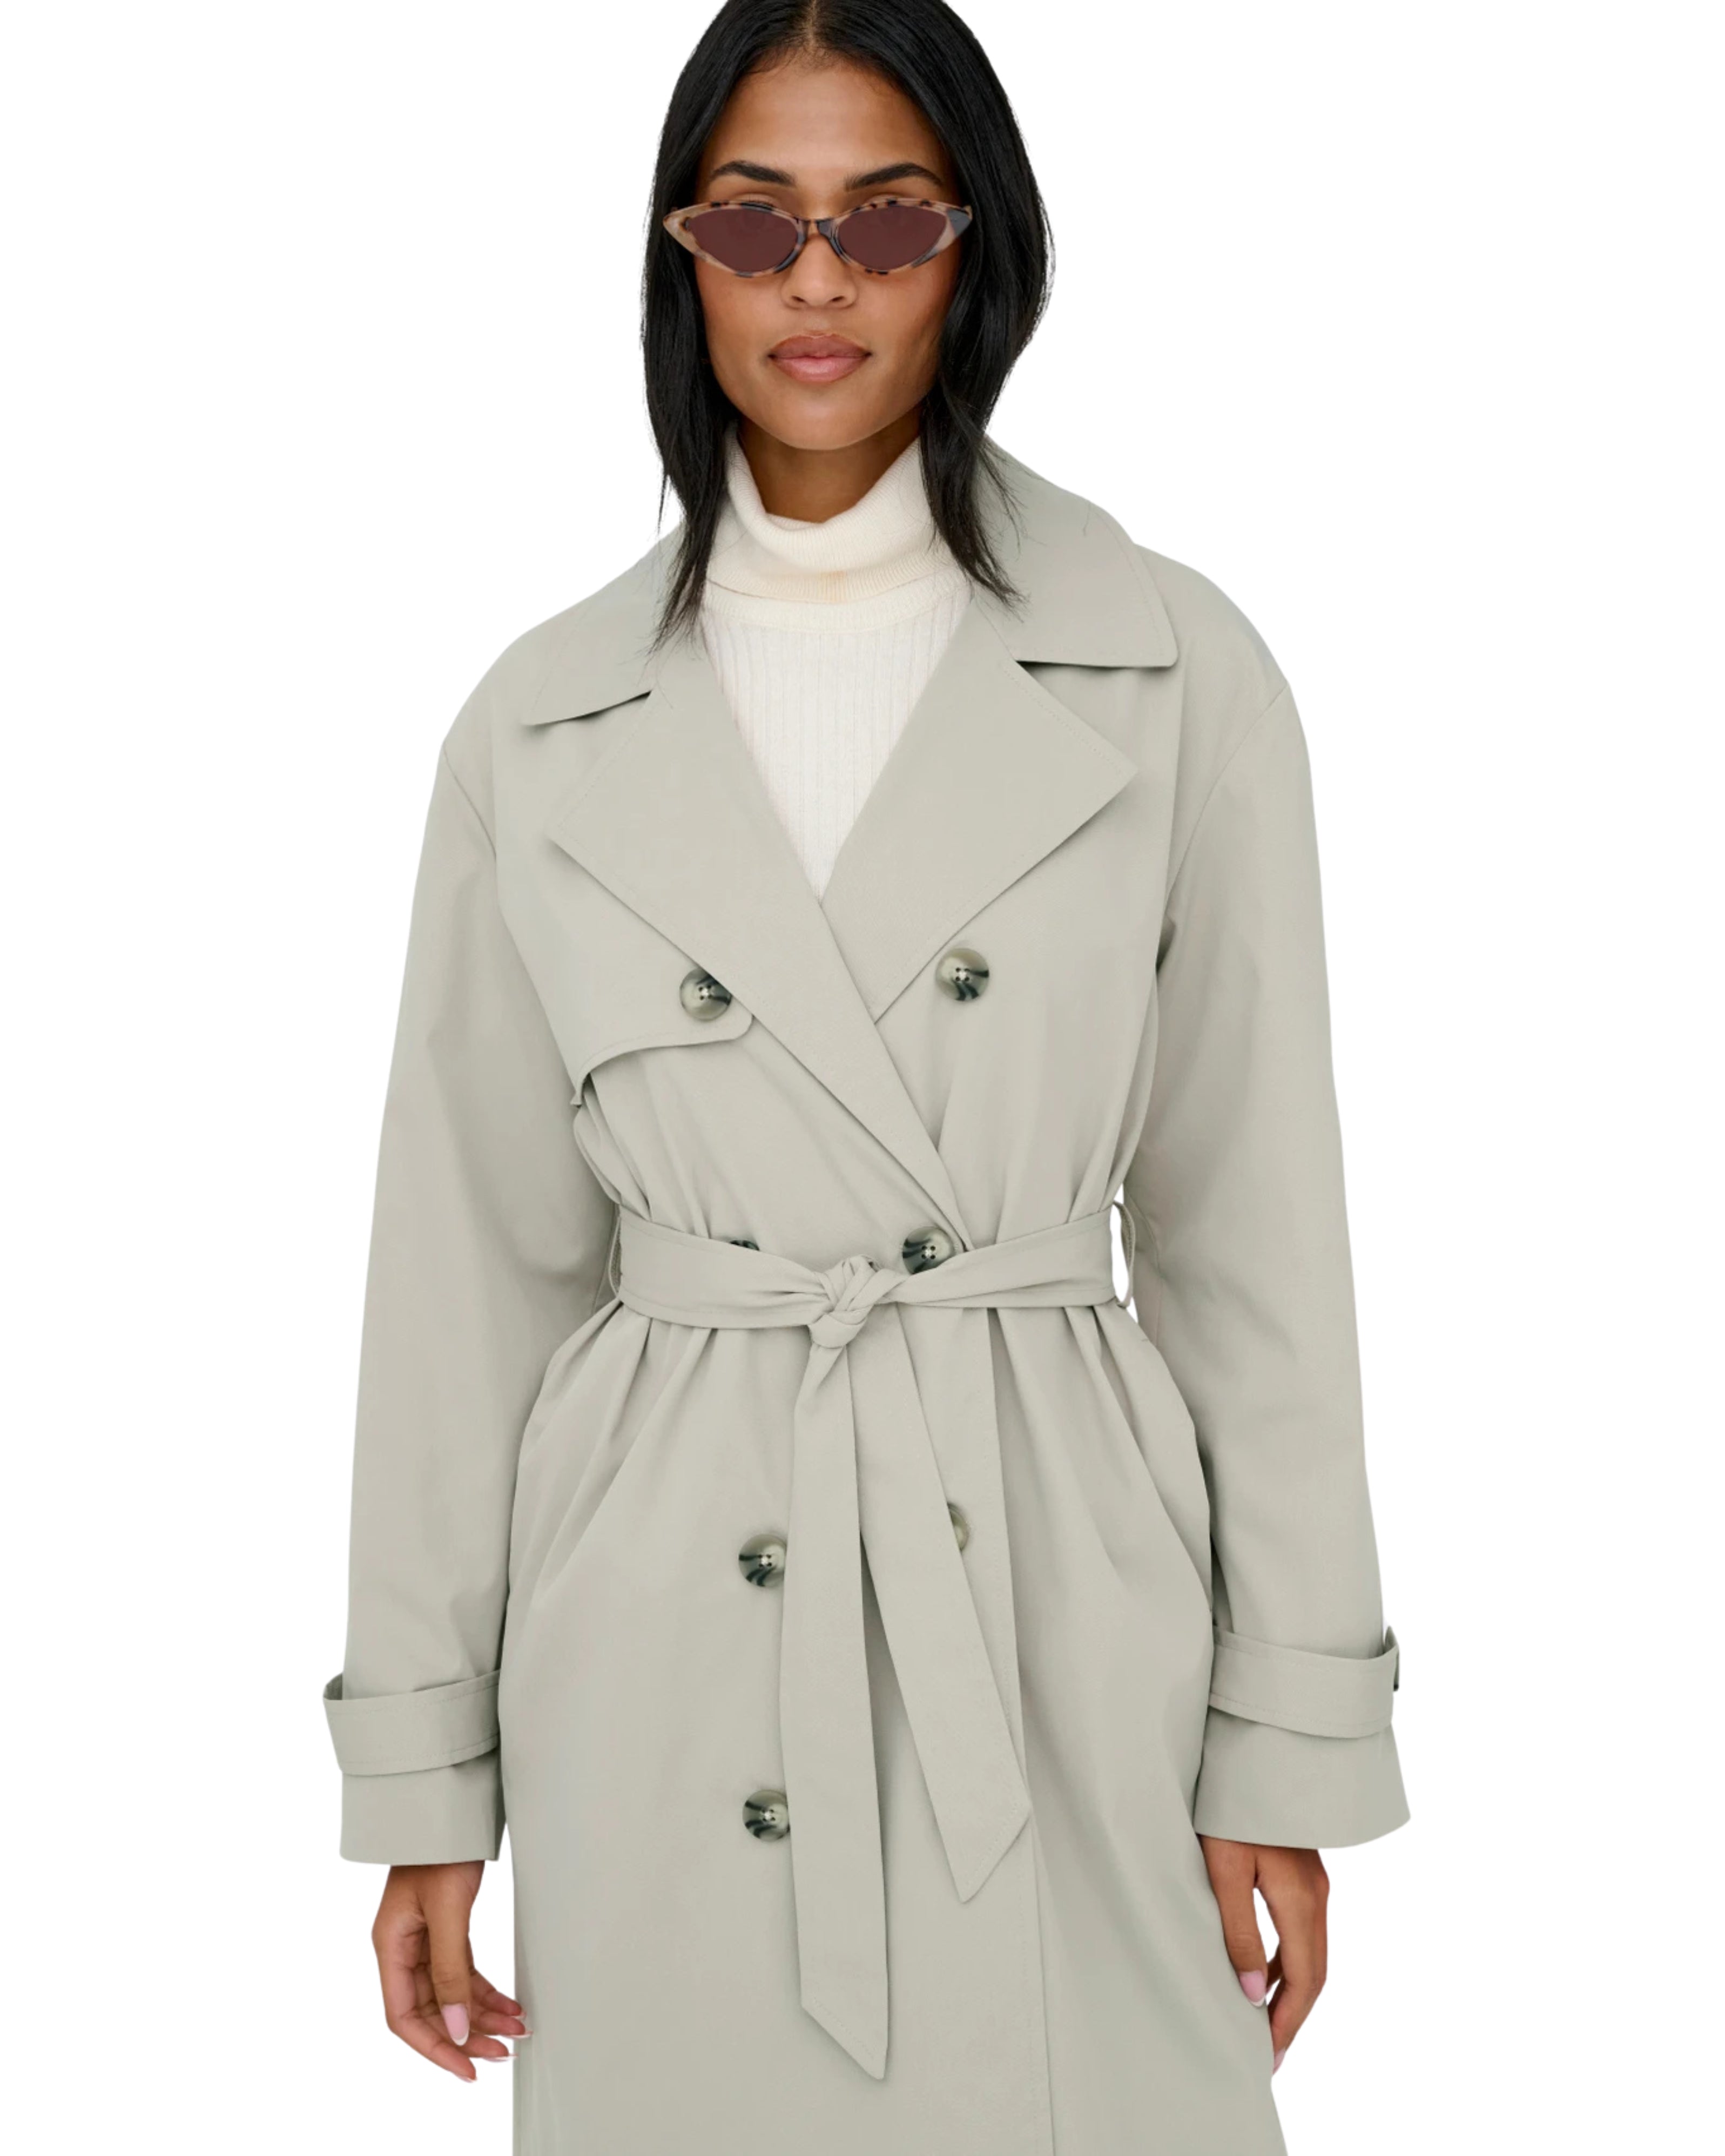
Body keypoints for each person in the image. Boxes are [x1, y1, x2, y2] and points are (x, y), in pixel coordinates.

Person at [321, 3, 1407, 2150]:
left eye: (885, 218)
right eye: (755, 220)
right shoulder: (541, 723)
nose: (816, 277)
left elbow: (1253, 1237)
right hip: (656, 1606)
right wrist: (425, 1775)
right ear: (682, 254)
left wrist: (1284, 1736)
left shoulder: (1172, 669)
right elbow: (464, 1276)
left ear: (974, 246)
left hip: (1056, 1580)